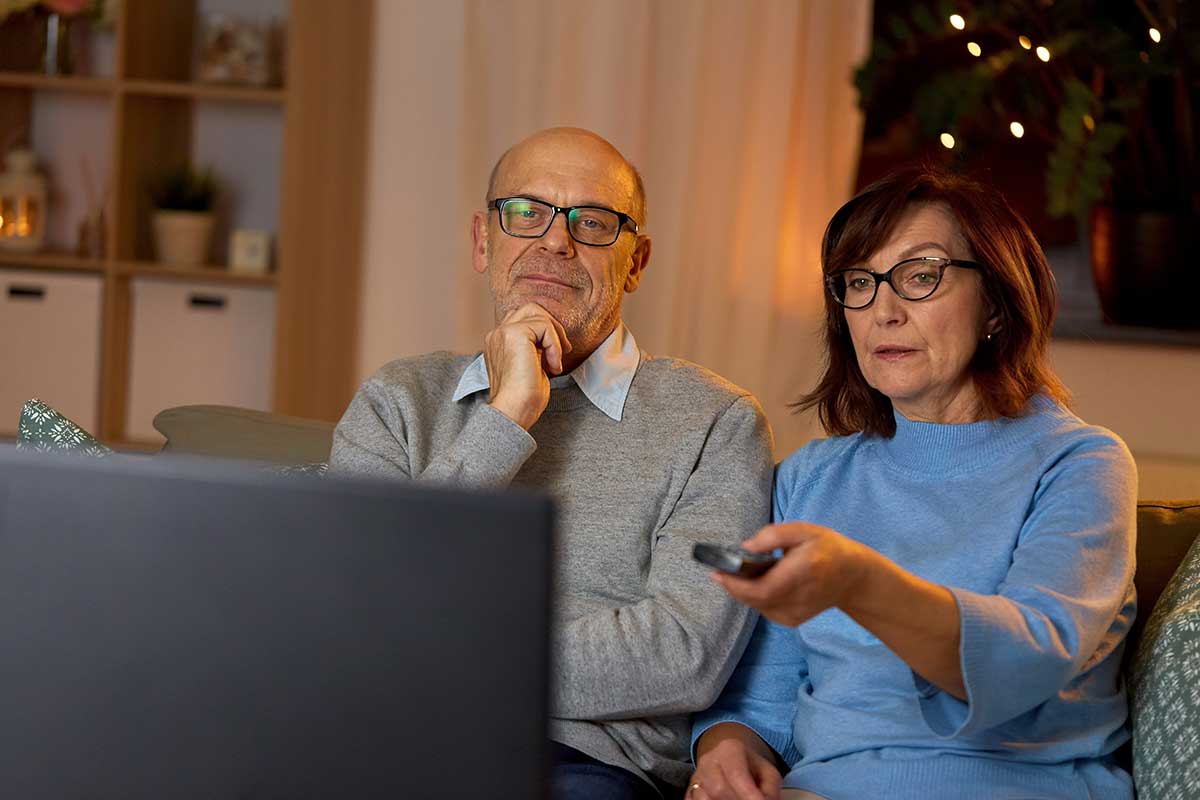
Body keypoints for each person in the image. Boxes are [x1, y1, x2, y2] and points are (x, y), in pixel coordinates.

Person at [331, 127, 774, 798]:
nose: (555, 241)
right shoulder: (398, 400)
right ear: (484, 241)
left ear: (637, 260)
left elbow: (685, 652)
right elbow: (350, 609)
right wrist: (506, 417)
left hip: (579, 764)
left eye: (593, 222)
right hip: (388, 741)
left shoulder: (717, 421)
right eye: (525, 212)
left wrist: (428, 655)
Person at [688, 166, 1137, 800]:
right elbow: (760, 699)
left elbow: (1023, 662)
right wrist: (727, 748)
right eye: (859, 284)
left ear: (997, 303)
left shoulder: (1082, 464)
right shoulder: (809, 479)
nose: (884, 312)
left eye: (921, 276)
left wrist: (856, 580)